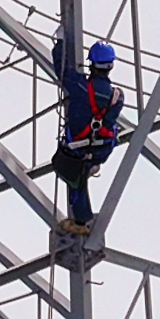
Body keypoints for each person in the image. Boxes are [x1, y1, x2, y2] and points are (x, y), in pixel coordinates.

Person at [54, 38, 124, 241]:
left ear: (92, 63)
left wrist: (60, 44)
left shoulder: (80, 86)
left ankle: (80, 222)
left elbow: (61, 70)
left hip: (77, 149)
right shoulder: (117, 96)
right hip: (102, 148)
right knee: (109, 132)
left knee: (72, 175)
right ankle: (92, 165)